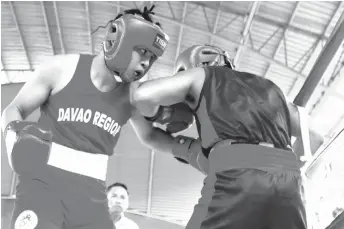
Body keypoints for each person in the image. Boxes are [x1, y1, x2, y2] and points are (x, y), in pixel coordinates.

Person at [1, 6, 178, 229]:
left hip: (92, 202)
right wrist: (12, 142)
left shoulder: (134, 96)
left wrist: (191, 151)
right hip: (41, 190)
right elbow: (13, 109)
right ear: (119, 39)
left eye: (151, 57)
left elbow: (150, 136)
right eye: (142, 51)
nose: (146, 63)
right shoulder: (60, 69)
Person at [132, 44, 325, 229]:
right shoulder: (272, 88)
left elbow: (141, 95)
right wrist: (280, 171)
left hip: (235, 171)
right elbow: (315, 137)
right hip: (288, 181)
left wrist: (161, 114)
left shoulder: (200, 75)